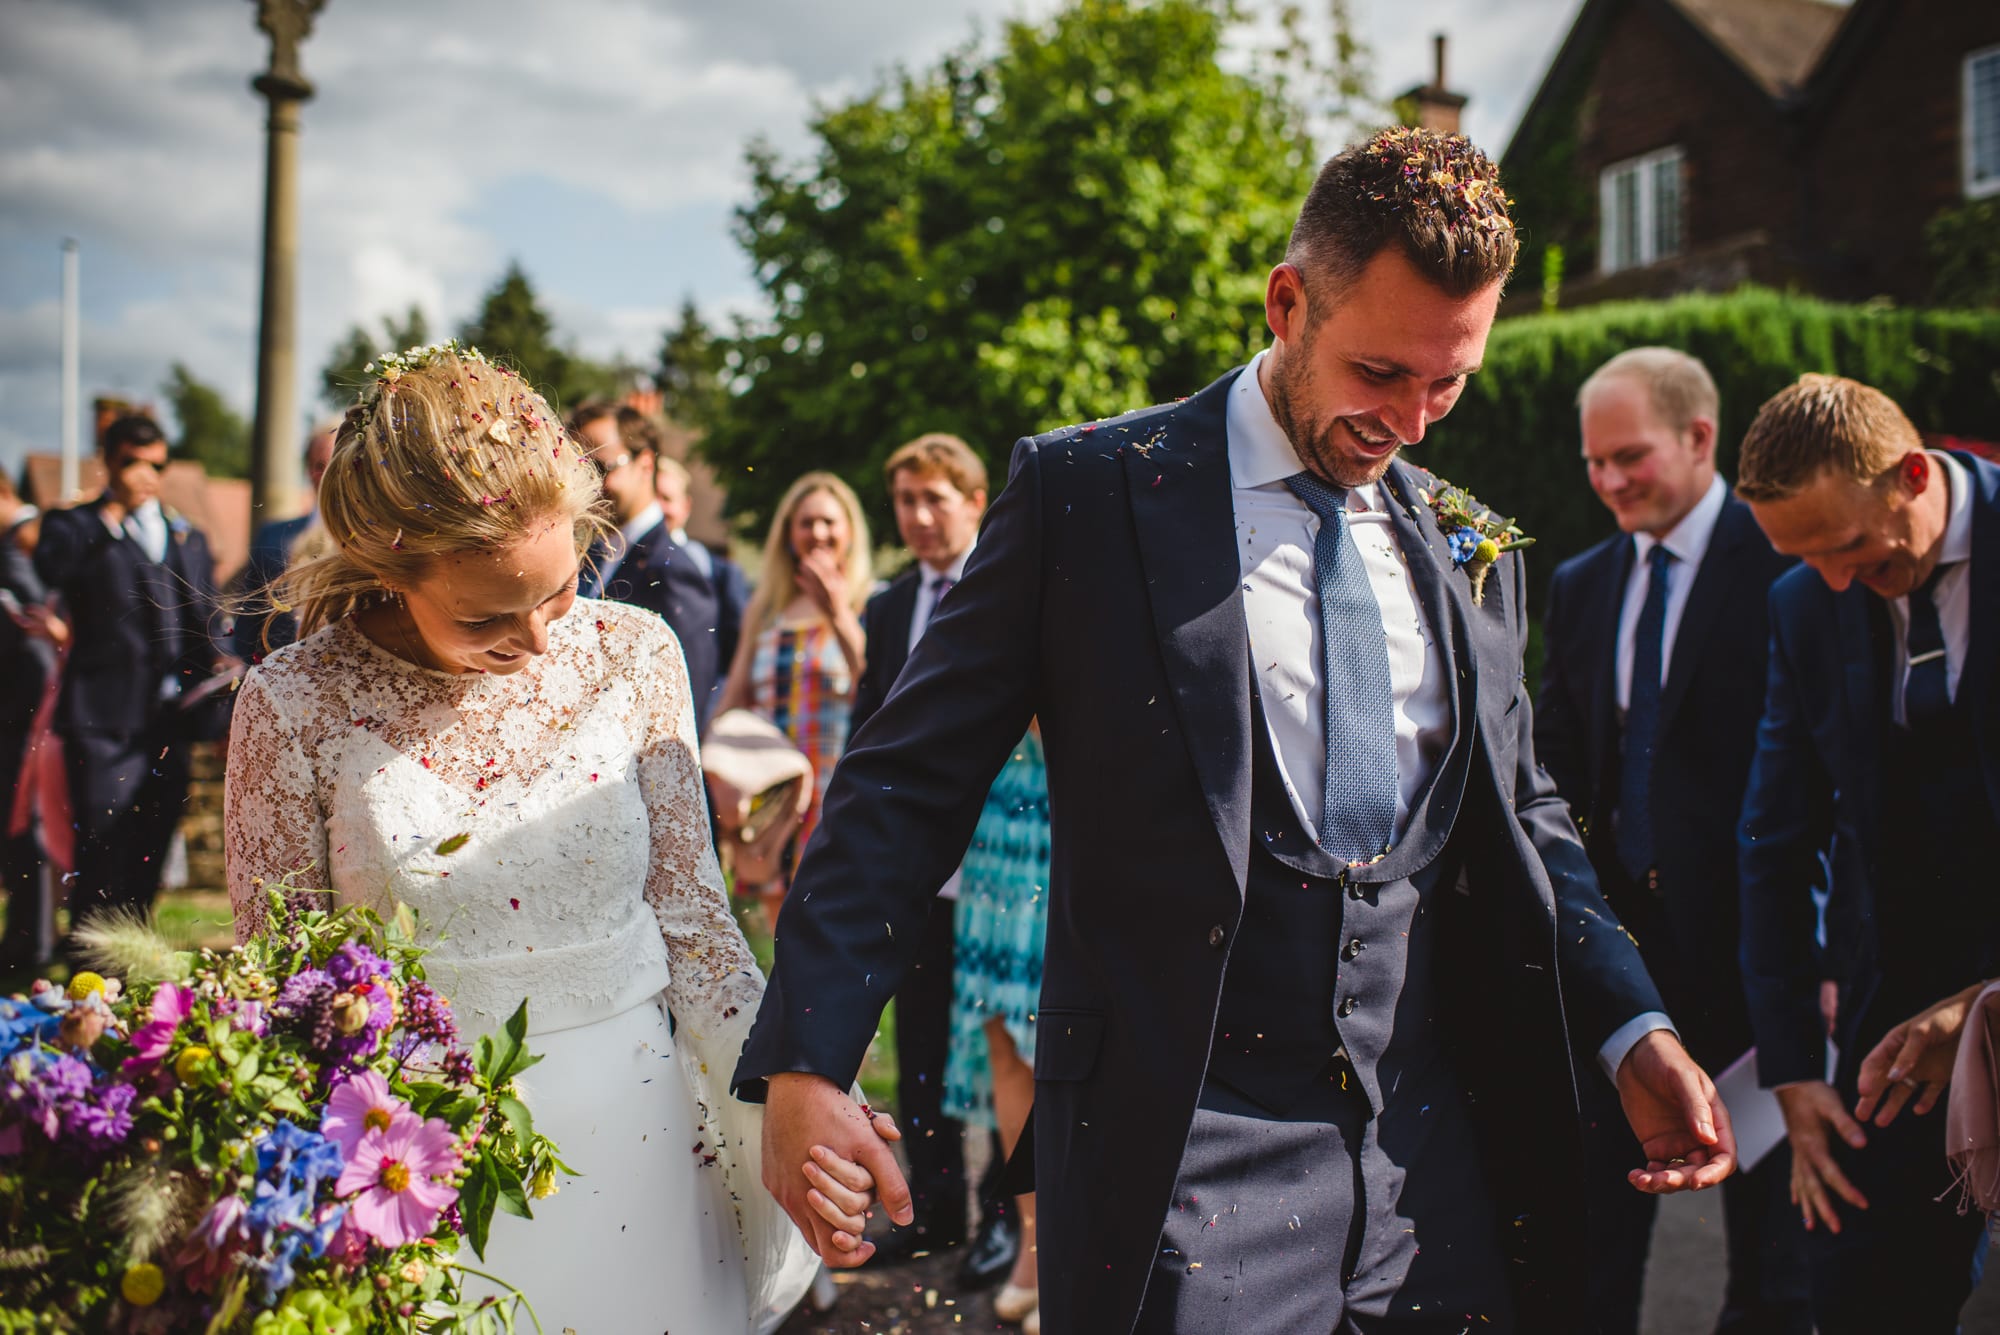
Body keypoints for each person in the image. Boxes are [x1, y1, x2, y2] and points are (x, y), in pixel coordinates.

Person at [735, 127, 1733, 1333]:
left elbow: (1524, 808)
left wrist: (1632, 1023)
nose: (1411, 424)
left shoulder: (1471, 543)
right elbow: (906, 784)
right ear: (1286, 301)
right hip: (1184, 1146)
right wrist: (805, 1063)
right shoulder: (1089, 495)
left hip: (1436, 1152)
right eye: (1379, 374)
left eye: (1447, 382)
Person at [221, 344, 890, 1333]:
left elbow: (695, 919)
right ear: (389, 567)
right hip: (417, 1175)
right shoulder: (293, 702)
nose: (538, 641)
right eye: (488, 613)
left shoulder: (633, 653)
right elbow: (284, 992)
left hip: (642, 1148)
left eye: (560, 588)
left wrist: (788, 1098)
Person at [1537, 348, 1807, 1334]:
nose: (1608, 481)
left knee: (1779, 1269)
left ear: (1698, 438)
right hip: (1622, 978)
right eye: (1591, 463)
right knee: (1592, 1252)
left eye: (1628, 456)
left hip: (1760, 966)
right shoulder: (1577, 583)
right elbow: (1557, 777)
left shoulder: (1782, 558)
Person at [1736, 373, 2000, 1334]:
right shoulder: (1805, 602)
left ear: (1914, 474)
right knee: (1860, 1295)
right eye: (1804, 559)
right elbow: (1776, 834)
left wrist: (1985, 1007)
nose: (1835, 581)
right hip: (1890, 1002)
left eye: (1850, 547)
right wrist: (1797, 1068)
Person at [845, 434, 1018, 1285]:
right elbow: (873, 732)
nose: (915, 517)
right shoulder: (885, 608)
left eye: (933, 500)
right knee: (919, 1049)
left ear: (975, 501)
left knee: (995, 1050)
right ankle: (939, 1209)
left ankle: (1005, 1222)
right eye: (904, 501)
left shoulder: (1011, 587)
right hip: (916, 869)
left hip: (1003, 863)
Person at [35, 414, 221, 934]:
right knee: (101, 843)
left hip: (170, 723)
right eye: (132, 463)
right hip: (102, 723)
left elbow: (205, 619)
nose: (146, 475)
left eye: (156, 464)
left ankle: (131, 956)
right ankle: (86, 956)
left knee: (151, 844)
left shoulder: (188, 536)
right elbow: (51, 570)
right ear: (109, 463)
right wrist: (112, 512)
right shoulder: (76, 527)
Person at [714, 472, 870, 930]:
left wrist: (837, 611)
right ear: (788, 534)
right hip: (774, 797)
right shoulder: (765, 607)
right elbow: (737, 693)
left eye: (828, 522)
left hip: (837, 792)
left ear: (849, 532)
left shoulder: (867, 603)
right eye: (806, 523)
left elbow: (877, 690)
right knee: (783, 937)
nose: (817, 533)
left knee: (832, 932)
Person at [941, 727, 1050, 1331]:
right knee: (1004, 1042)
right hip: (1001, 816)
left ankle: (1073, 1255)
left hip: (1080, 816)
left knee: (1057, 1046)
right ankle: (1034, 1248)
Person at [570, 403, 722, 733]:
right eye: (580, 471)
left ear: (645, 462)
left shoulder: (672, 571)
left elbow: (687, 700)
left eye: (600, 468)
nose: (589, 485)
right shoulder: (588, 559)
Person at [0, 472, 65, 968]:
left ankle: (33, 941)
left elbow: (43, 631)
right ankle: (26, 936)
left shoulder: (25, 542)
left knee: (33, 826)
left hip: (34, 706)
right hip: (21, 704)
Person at [646, 441, 753, 714]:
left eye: (667, 499)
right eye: (653, 496)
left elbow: (735, 650)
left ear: (686, 506)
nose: (659, 508)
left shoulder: (721, 572)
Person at [231, 422, 337, 661]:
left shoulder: (374, 538)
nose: (326, 474)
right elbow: (249, 618)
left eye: (335, 464)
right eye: (319, 465)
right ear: (308, 470)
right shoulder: (272, 536)